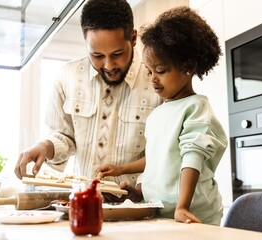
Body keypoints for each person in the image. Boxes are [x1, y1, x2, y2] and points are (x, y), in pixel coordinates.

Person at [97, 6, 228, 226]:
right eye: (149, 72)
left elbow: (191, 156)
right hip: (163, 214)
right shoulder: (157, 114)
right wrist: (137, 189)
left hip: (193, 216)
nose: (153, 79)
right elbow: (159, 158)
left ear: (188, 67)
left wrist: (182, 206)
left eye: (161, 70)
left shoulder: (196, 107)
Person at [14, 0, 162, 188]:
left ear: (133, 39)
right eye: (97, 55)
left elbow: (163, 155)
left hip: (139, 207)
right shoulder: (67, 76)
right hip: (82, 203)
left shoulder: (157, 82)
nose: (108, 66)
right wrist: (45, 146)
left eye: (117, 54)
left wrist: (140, 190)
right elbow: (64, 137)